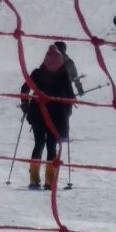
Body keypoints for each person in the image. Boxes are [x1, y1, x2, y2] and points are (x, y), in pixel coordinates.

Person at [20, 45, 75, 189]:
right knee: (52, 145)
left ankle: (33, 179)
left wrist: (25, 104)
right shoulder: (64, 75)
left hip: (37, 113)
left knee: (38, 143)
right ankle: (49, 181)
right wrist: (68, 109)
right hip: (57, 116)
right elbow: (70, 95)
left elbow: (24, 89)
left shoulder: (37, 73)